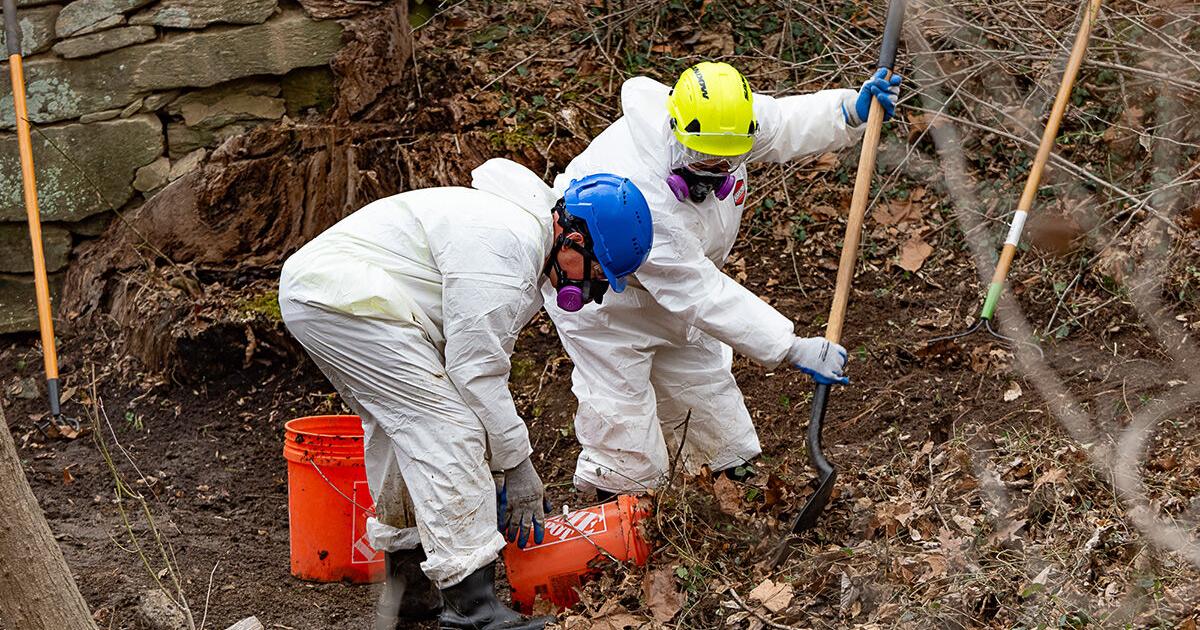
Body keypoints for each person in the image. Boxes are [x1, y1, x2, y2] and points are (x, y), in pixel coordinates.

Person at [278, 158, 654, 630]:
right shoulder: (507, 249)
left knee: (404, 431)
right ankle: (473, 612)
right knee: (445, 430)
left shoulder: (521, 240)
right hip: (345, 298)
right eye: (597, 272)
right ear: (573, 237)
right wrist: (516, 467)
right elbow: (476, 372)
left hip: (324, 294)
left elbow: (469, 368)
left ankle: (412, 589)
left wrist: (495, 472)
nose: (593, 289)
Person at [543, 61, 902, 498]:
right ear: (677, 130)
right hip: (604, 297)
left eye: (727, 159)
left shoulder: (729, 122)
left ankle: (727, 488)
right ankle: (619, 511)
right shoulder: (641, 192)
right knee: (623, 415)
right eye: (703, 156)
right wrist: (789, 346)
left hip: (680, 291)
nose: (715, 166)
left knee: (702, 387)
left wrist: (846, 111)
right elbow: (701, 292)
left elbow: (786, 123)